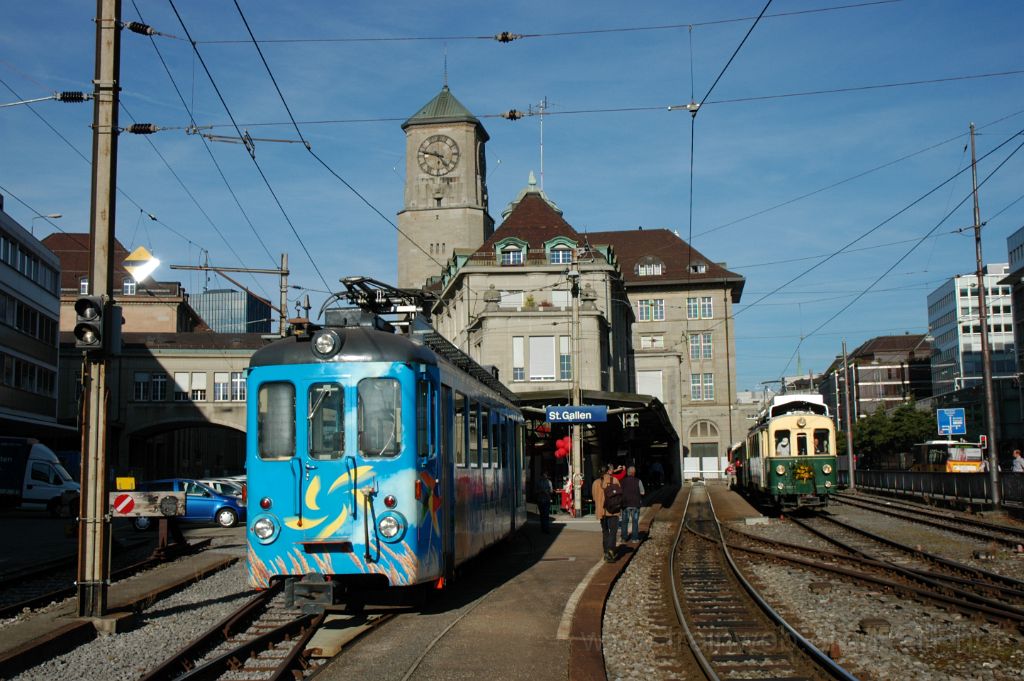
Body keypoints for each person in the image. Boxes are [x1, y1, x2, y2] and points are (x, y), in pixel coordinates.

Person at [592, 464, 621, 562]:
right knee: (613, 531)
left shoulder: (595, 483)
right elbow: (620, 495)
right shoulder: (615, 480)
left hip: (601, 511)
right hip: (613, 511)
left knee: (605, 532)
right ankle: (610, 551)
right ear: (608, 471)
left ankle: (606, 552)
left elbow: (594, 497)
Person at [620, 466, 645, 543]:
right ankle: (634, 538)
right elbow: (643, 492)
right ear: (634, 473)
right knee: (635, 521)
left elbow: (620, 492)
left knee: (624, 522)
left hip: (625, 504)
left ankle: (624, 538)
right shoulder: (638, 481)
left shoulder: (622, 481)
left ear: (628, 473)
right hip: (635, 504)